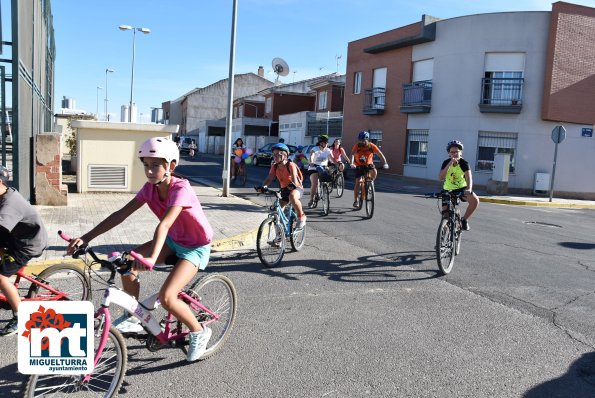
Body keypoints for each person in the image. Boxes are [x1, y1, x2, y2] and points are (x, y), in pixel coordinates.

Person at [66, 137, 213, 361]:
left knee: (167, 297)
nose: (149, 170)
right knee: (126, 265)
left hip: (194, 247)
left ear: (171, 166)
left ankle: (199, 332)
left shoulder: (181, 189)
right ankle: (135, 316)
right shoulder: (149, 189)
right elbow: (120, 215)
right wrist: (85, 238)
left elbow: (164, 223)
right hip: (173, 241)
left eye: (155, 165)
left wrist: (152, 257)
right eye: (145, 165)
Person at [0, 166, 48, 336]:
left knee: (1, 277)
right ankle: (8, 297)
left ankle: (20, 317)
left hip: (28, 245)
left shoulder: (9, 204)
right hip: (16, 237)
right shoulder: (4, 193)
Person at [258, 143, 307, 228]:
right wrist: (263, 187)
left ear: (284, 155)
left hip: (296, 188)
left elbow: (294, 178)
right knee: (276, 212)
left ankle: (301, 216)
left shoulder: (290, 165)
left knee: (292, 196)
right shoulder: (274, 166)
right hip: (284, 189)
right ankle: (278, 237)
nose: (275, 157)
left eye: (277, 154)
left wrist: (293, 184)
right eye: (274, 155)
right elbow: (269, 178)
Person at [438, 140, 479, 231]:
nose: (454, 154)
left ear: (461, 152)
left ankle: (464, 220)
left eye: (457, 151)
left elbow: (469, 177)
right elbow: (440, 178)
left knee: (475, 200)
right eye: (452, 152)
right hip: (448, 190)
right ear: (449, 153)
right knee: (445, 216)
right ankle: (443, 240)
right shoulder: (446, 162)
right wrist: (450, 164)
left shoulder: (464, 163)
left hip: (462, 189)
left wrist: (469, 189)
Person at [350, 131, 388, 208]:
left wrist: (385, 163)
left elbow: (380, 154)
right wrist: (352, 163)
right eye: (360, 139)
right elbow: (352, 155)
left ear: (367, 139)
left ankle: (371, 182)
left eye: (362, 140)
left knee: (374, 171)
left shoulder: (371, 146)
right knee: (358, 182)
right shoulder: (357, 146)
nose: (361, 141)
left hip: (368, 164)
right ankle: (356, 201)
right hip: (358, 165)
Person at [307, 135, 337, 208]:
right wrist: (311, 162)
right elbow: (312, 156)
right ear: (320, 143)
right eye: (325, 142)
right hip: (314, 168)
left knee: (329, 175)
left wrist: (338, 164)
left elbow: (332, 158)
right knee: (315, 183)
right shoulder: (315, 149)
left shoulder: (328, 150)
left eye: (327, 142)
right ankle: (311, 199)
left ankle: (325, 186)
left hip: (323, 168)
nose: (326, 144)